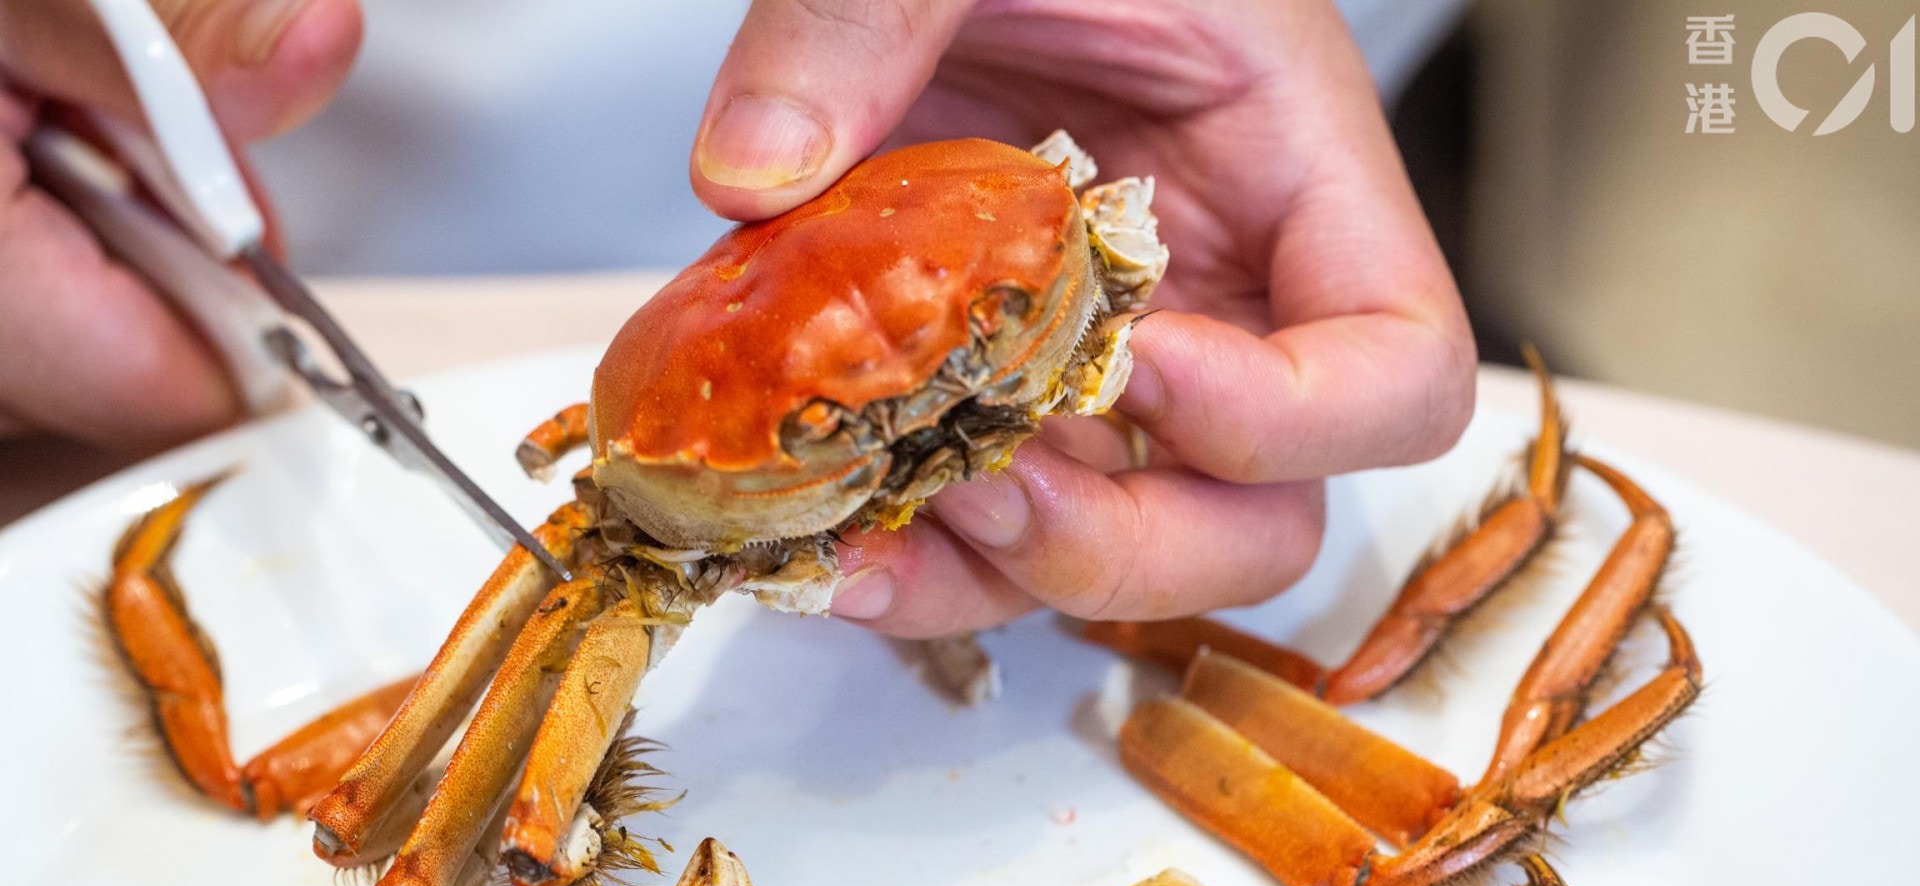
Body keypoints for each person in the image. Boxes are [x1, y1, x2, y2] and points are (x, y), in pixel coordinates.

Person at [0, 0, 1473, 640]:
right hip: (352, 227)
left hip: (1068, 73)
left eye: (994, 327)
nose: (919, 411)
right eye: (842, 427)